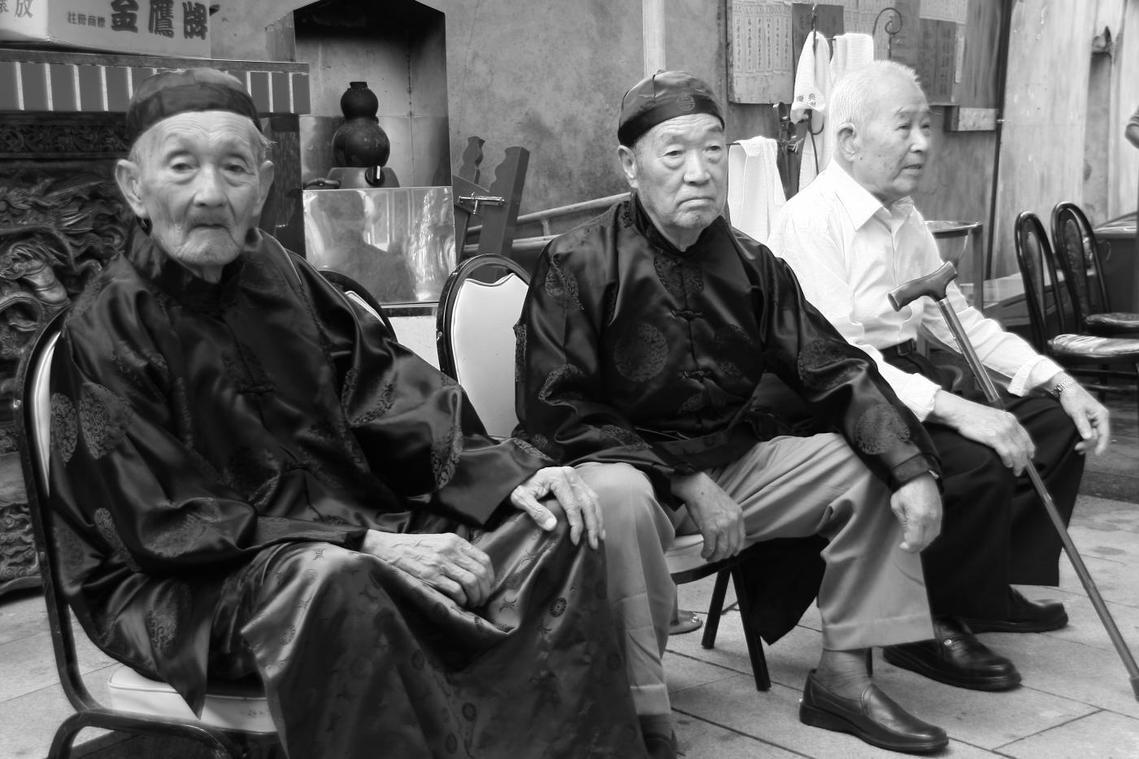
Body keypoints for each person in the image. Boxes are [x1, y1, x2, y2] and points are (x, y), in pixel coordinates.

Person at [46, 68, 647, 759]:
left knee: (555, 522)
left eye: (233, 167)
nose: (209, 193)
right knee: (331, 580)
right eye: (181, 167)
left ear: (262, 184)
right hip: (193, 579)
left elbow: (385, 388)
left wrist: (509, 472)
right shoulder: (106, 323)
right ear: (134, 187)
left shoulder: (279, 272)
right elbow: (164, 520)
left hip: (353, 525)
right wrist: (366, 544)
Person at [516, 69, 951, 756]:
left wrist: (910, 467)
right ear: (629, 164)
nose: (698, 172)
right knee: (619, 498)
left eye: (713, 151)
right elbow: (555, 406)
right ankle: (639, 711)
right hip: (623, 471)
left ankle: (843, 680)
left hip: (732, 461)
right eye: (674, 153)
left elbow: (833, 366)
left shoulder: (753, 265)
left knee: (866, 461)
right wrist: (685, 479)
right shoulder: (576, 262)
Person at [769, 60, 1110, 693]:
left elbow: (958, 322)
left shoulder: (904, 216)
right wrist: (960, 410)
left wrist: (1057, 380)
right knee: (972, 457)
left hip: (903, 373)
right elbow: (838, 358)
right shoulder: (810, 220)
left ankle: (986, 588)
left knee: (1052, 424)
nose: (924, 143)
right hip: (839, 393)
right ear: (849, 140)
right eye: (905, 127)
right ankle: (924, 622)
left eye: (926, 126)